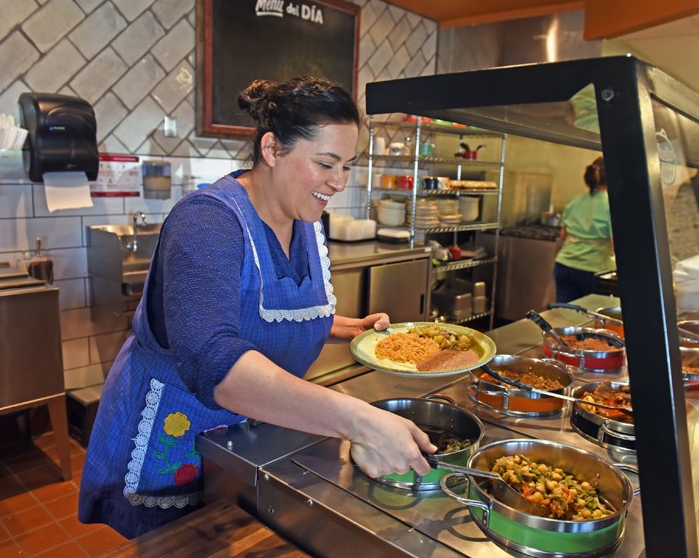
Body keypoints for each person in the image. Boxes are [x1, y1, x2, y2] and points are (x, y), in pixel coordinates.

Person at [78, 76, 436, 539]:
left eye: (347, 165)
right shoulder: (208, 221)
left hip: (250, 431)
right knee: (179, 546)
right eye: (325, 163)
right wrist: (360, 420)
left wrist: (345, 328)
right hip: (177, 434)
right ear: (271, 149)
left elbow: (264, 311)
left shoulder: (303, 219)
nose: (339, 182)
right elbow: (211, 356)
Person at [553, 156, 615, 303]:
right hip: (594, 270)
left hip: (565, 265)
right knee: (591, 312)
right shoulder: (612, 205)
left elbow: (563, 235)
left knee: (564, 311)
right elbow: (615, 244)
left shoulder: (575, 200)